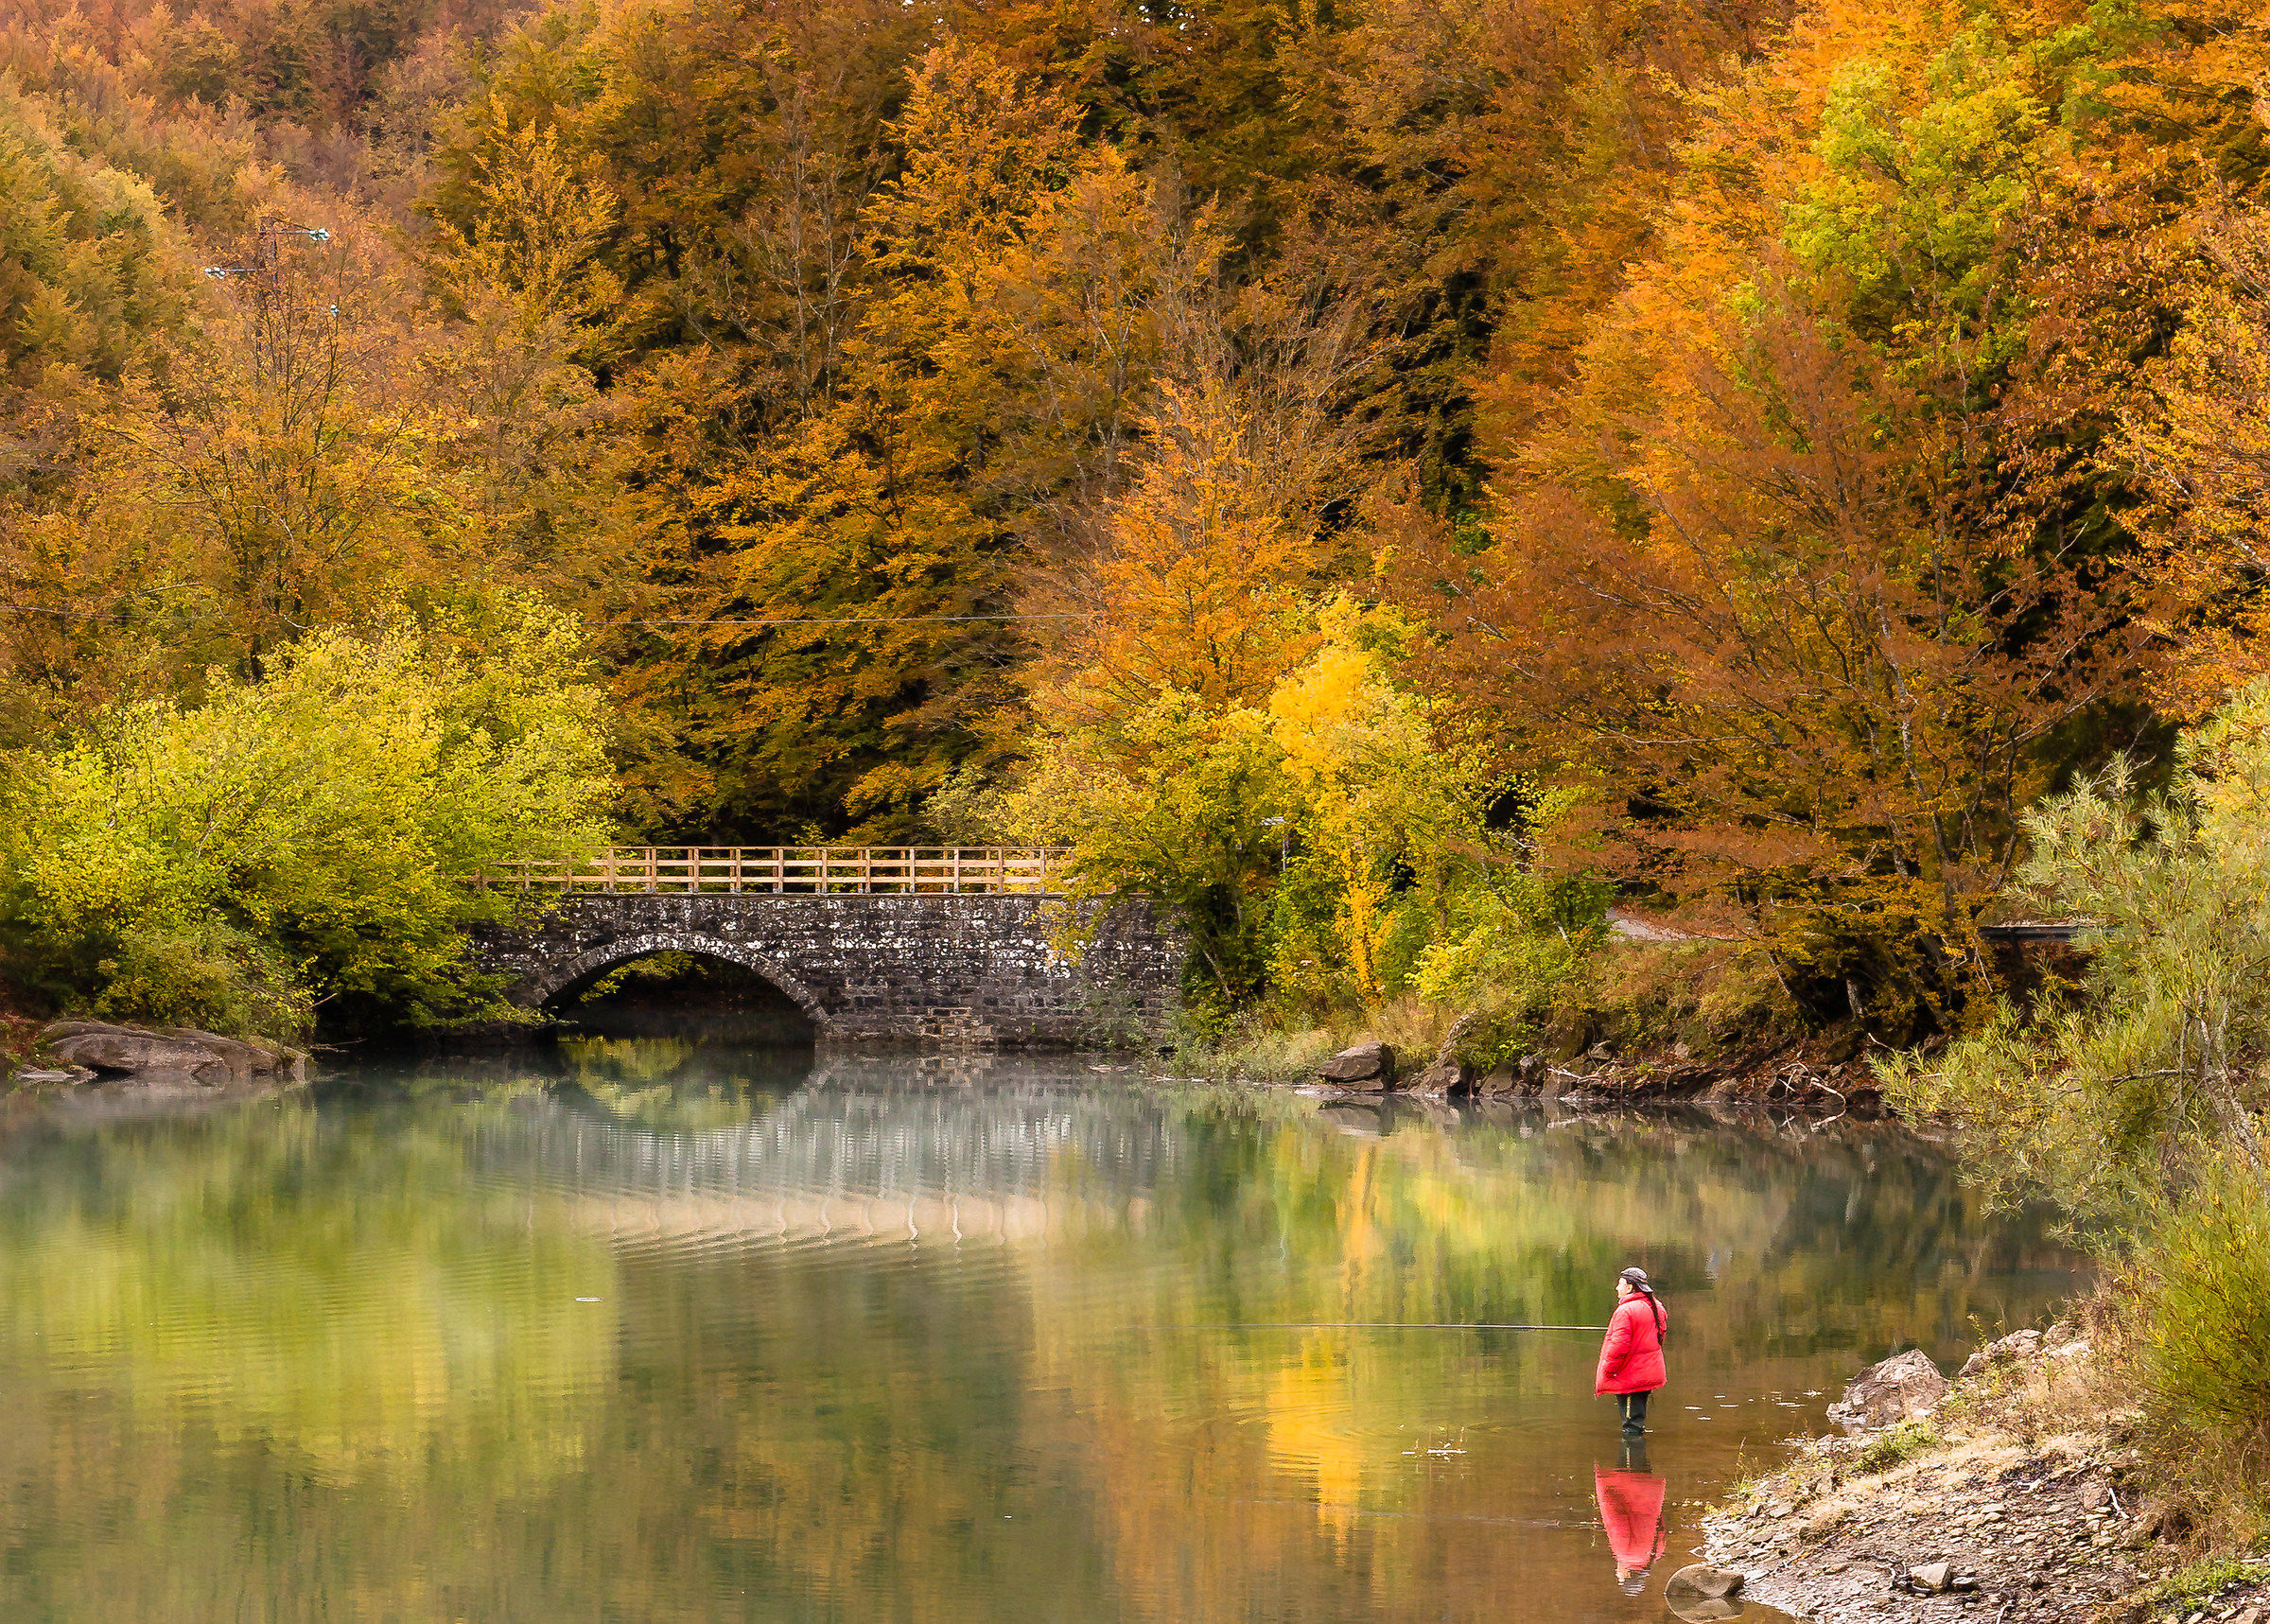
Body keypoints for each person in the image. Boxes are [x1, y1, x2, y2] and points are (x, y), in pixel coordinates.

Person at [1596, 1266, 1668, 1436]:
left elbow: (1618, 1347)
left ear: (1629, 1288)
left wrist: (1608, 1371)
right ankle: (1638, 1461)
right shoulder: (1656, 1306)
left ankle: (1631, 1461)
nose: (1616, 1288)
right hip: (1647, 1373)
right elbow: (1660, 1335)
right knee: (1636, 1421)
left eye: (1620, 1284)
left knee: (1631, 1428)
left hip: (1630, 1378)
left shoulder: (1625, 1311)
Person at [1593, 1440, 1667, 1597]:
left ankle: (1637, 1430)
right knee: (1629, 1443)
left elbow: (1660, 1522)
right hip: (1626, 1484)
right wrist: (1603, 1487)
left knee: (1640, 1450)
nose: (1616, 1573)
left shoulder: (1656, 1554)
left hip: (1649, 1487)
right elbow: (1615, 1520)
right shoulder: (1625, 1555)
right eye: (1619, 1577)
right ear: (1627, 1575)